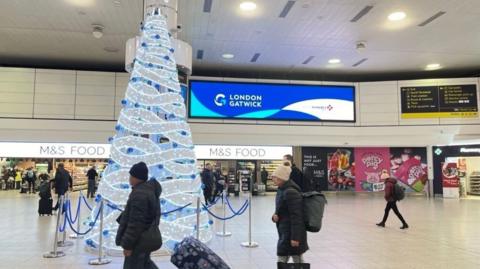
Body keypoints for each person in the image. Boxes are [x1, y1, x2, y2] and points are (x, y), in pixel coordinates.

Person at [116, 162, 161, 269]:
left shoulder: (140, 194)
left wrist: (128, 245)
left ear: (137, 177)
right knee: (145, 263)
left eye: (131, 175)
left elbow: (135, 224)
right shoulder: (147, 190)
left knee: (133, 265)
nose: (129, 178)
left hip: (138, 243)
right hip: (144, 239)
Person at [272, 162, 308, 265]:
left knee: (292, 259)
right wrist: (275, 215)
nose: (273, 179)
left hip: (291, 233)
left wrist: (295, 238)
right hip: (285, 231)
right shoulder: (281, 189)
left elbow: (297, 216)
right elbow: (281, 208)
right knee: (293, 257)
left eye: (275, 177)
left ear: (281, 178)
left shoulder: (290, 192)